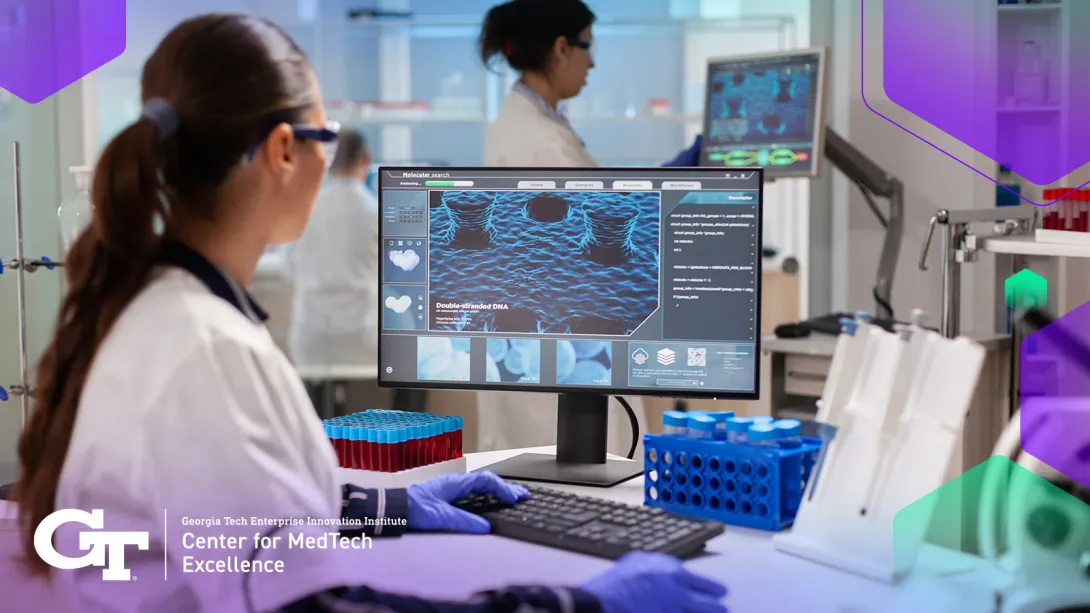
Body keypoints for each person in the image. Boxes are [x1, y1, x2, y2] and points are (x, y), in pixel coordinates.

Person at [10, 13, 726, 613]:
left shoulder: (158, 313)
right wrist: (584, 602)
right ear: (286, 151)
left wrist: (386, 506)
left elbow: (215, 523)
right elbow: (323, 607)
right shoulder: (202, 349)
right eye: (326, 134)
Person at [474, 0, 701, 453]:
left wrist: (663, 178)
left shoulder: (536, 124)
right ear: (562, 49)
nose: (592, 61)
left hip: (547, 343)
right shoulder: (540, 143)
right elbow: (589, 240)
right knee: (572, 486)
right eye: (588, 47)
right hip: (560, 351)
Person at [282, 129, 378, 412]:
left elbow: (289, 270)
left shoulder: (305, 210)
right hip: (364, 342)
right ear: (367, 160)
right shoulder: (377, 212)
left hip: (313, 342)